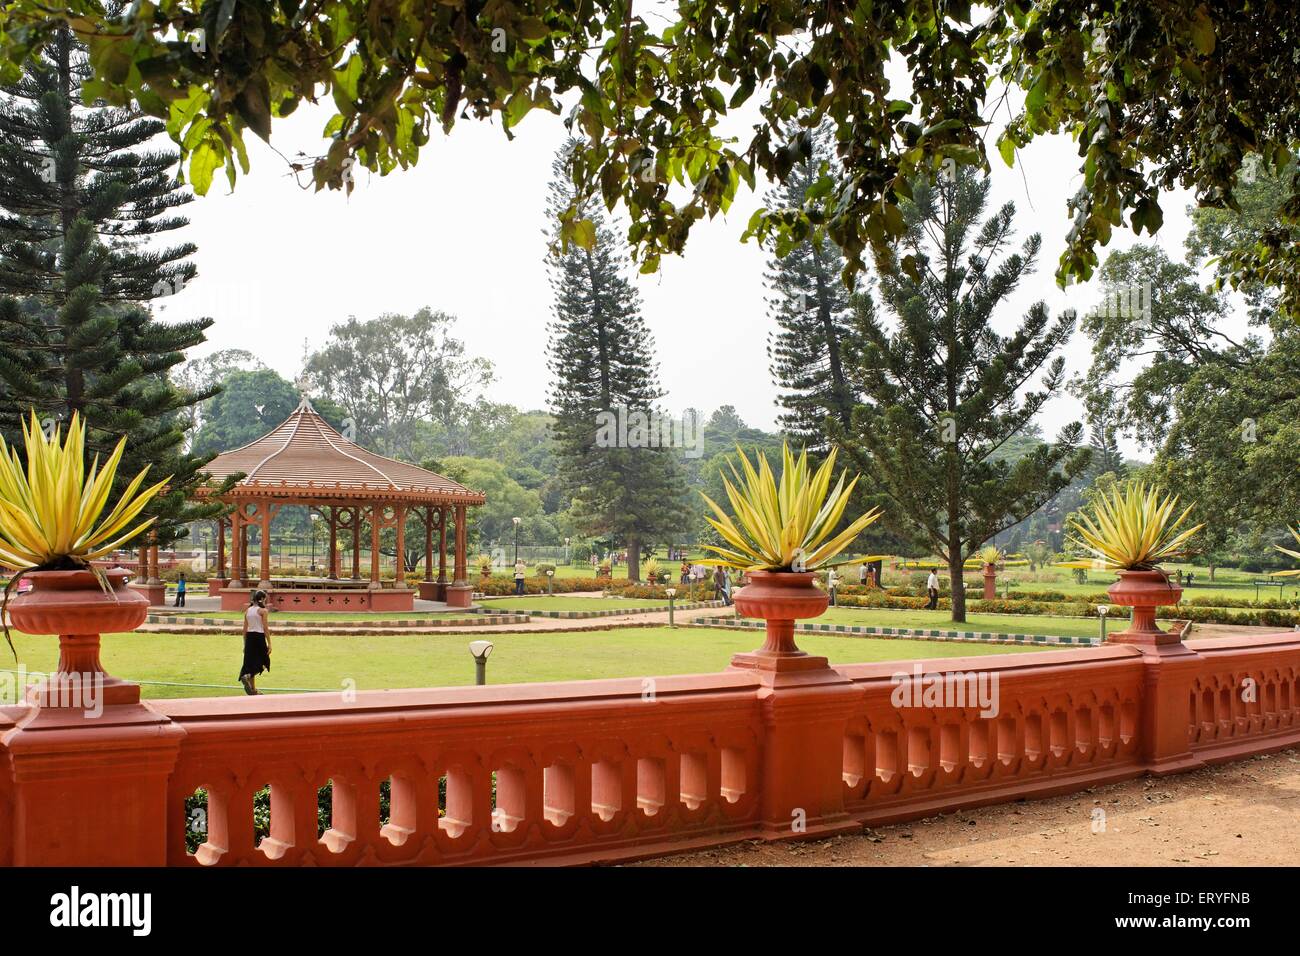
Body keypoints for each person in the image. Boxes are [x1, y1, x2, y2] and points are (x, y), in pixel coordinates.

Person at [240, 590, 271, 695]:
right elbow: (265, 628)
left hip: (249, 638)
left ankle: (253, 690)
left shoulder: (247, 611)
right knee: (265, 662)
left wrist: (245, 644)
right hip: (259, 637)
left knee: (250, 663)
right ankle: (248, 676)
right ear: (262, 599)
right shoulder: (263, 611)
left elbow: (244, 630)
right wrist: (269, 643)